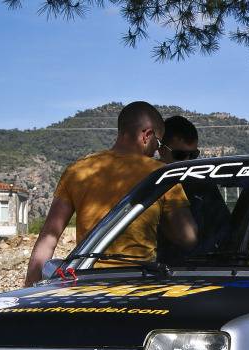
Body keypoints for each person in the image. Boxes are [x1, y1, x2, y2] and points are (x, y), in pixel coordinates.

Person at [24, 101, 197, 285]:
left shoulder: (77, 171)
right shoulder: (159, 174)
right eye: (158, 142)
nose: (157, 150)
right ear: (147, 135)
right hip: (136, 283)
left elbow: (48, 238)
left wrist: (28, 291)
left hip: (86, 282)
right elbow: (188, 237)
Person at [156, 115, 233, 261]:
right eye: (179, 155)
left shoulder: (203, 185)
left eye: (193, 155)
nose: (187, 162)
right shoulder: (151, 183)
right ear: (161, 150)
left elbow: (224, 232)